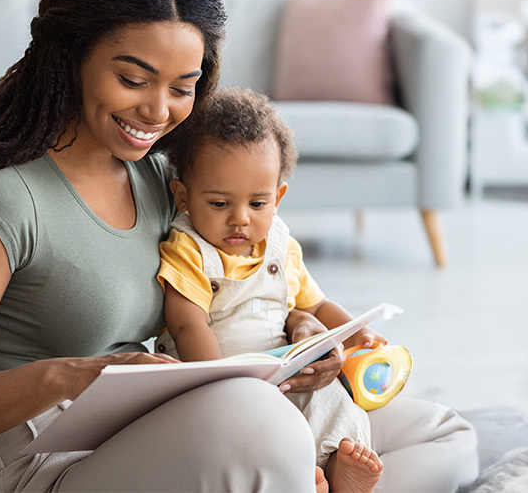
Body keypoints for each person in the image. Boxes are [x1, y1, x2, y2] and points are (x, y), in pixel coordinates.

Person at [0, 0, 477, 492]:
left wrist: (302, 339)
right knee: (262, 425)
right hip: (53, 462)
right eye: (133, 79)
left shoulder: (161, 177)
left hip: (166, 419)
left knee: (440, 435)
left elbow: (234, 279)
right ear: (68, 57)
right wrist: (64, 378)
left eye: (183, 86)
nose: (157, 110)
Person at [155, 87, 385, 493]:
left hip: (284, 372)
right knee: (255, 431)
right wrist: (222, 386)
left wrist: (357, 334)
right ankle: (296, 472)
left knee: (332, 400)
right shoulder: (188, 248)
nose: (240, 220)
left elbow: (317, 303)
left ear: (277, 197)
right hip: (216, 381)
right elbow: (187, 324)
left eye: (257, 204)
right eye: (220, 204)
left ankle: (337, 466)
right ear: (184, 196)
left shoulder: (281, 246)